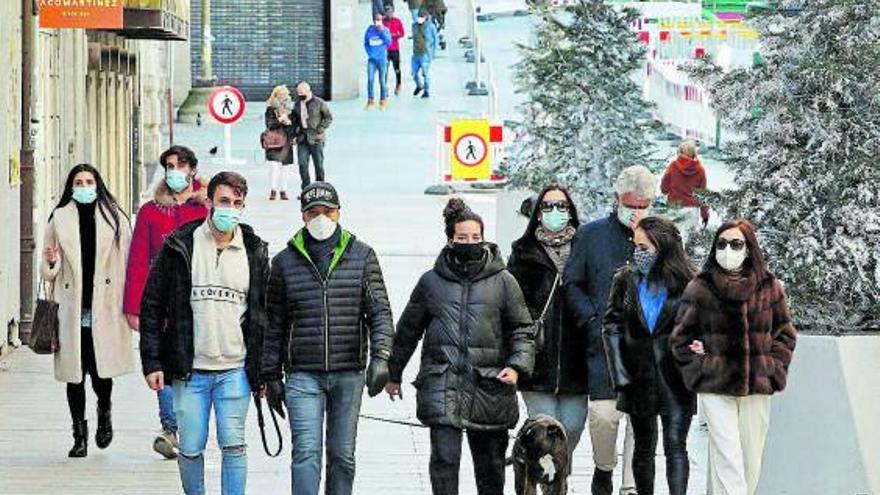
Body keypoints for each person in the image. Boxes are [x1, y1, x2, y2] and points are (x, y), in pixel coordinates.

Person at [386, 198, 535, 495]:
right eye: (463, 238)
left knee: (491, 468)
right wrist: (393, 373)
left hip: (489, 385)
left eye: (476, 238)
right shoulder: (431, 282)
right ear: (450, 240)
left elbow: (522, 329)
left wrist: (517, 367)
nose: (470, 243)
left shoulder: (504, 282)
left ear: (484, 238)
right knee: (443, 461)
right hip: (443, 382)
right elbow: (407, 331)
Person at [139, 172, 269, 495]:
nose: (231, 209)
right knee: (191, 448)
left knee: (234, 446)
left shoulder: (255, 251)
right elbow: (152, 305)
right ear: (209, 202)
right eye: (225, 201)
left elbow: (266, 316)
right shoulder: (180, 245)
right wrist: (152, 361)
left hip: (235, 371)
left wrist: (266, 369)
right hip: (190, 370)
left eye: (238, 203)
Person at [261, 181, 394, 495]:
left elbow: (380, 312)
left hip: (348, 372)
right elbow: (273, 323)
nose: (321, 217)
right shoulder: (284, 262)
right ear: (303, 215)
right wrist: (270, 375)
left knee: (342, 456)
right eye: (313, 211)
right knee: (306, 454)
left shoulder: (362, 256)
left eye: (327, 211)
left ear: (339, 212)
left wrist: (382, 356)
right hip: (302, 375)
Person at [670, 219, 796, 495]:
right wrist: (700, 367)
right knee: (728, 458)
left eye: (736, 243)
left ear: (748, 248)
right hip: (715, 385)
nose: (728, 249)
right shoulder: (700, 287)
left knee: (750, 462)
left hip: (757, 385)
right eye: (722, 244)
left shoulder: (769, 286)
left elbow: (785, 334)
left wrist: (772, 368)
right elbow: (680, 339)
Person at [564, 165, 659, 495]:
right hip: (604, 347)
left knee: (641, 420)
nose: (636, 212)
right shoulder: (591, 236)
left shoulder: (661, 237)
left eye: (643, 205)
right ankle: (604, 466)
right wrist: (591, 320)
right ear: (617, 199)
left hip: (647, 348)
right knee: (604, 416)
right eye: (631, 204)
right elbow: (572, 284)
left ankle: (631, 486)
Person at [40, 163, 134, 458]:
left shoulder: (114, 216)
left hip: (105, 306)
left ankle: (104, 411)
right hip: (71, 308)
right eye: (78, 182)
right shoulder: (59, 218)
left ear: (98, 184)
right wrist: (52, 261)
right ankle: (78, 435)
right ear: (71, 186)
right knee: (75, 374)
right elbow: (47, 271)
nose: (84, 187)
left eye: (89, 181)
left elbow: (128, 261)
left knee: (101, 371)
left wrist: (128, 303)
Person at [603, 217, 698, 495]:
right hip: (637, 376)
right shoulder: (625, 279)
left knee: (675, 445)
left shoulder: (690, 282)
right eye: (636, 246)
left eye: (644, 246)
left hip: (677, 376)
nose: (638, 252)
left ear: (663, 246)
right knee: (643, 447)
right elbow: (611, 326)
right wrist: (619, 374)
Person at [123, 145, 208, 459]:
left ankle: (187, 427)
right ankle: (170, 428)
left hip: (197, 302)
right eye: (169, 165)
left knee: (191, 365)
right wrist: (134, 306)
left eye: (181, 165)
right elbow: (137, 260)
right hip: (160, 303)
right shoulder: (150, 211)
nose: (175, 171)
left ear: (192, 170)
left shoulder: (206, 210)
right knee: (161, 362)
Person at [506, 184, 589, 460]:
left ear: (571, 211)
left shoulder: (584, 248)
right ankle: (546, 478)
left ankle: (554, 472)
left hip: (577, 362)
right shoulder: (523, 252)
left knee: (573, 426)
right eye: (548, 206)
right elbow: (511, 303)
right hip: (538, 359)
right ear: (538, 213)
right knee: (545, 427)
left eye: (562, 206)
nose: (555, 212)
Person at [661, 140, 709, 233]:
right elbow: (703, 195)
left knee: (673, 238)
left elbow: (664, 188)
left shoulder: (673, 166)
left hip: (674, 207)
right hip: (691, 209)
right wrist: (705, 214)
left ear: (679, 152)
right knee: (689, 240)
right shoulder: (700, 169)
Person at [292, 82, 333, 189]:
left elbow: (328, 117)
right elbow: (295, 120)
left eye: (302, 92)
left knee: (318, 165)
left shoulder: (319, 102)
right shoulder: (297, 104)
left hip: (316, 138)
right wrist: (293, 134)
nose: (300, 94)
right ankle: (306, 189)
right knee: (302, 164)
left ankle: (320, 187)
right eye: (298, 92)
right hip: (302, 138)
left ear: (308, 91)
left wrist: (321, 128)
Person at [264, 85, 297, 200]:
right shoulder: (270, 109)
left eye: (285, 94)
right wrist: (280, 120)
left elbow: (294, 126)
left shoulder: (291, 110)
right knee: (274, 166)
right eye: (281, 95)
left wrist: (289, 123)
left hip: (287, 141)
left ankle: (283, 191)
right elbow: (269, 125)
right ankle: (273, 190)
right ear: (276, 95)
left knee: (285, 168)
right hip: (274, 141)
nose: (283, 97)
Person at [364, 13, 392, 110]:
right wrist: (370, 53)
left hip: (382, 60)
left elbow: (389, 42)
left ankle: (383, 101)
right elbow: (366, 43)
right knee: (370, 79)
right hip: (372, 59)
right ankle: (370, 100)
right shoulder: (369, 30)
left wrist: (382, 32)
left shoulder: (385, 30)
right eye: (376, 20)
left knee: (382, 81)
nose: (378, 22)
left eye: (379, 20)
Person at [412, 11, 437, 99]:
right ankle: (419, 85)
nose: (420, 18)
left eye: (422, 16)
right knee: (414, 74)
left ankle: (426, 91)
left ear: (426, 17)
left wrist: (433, 53)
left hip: (425, 54)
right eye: (419, 16)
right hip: (415, 54)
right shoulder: (414, 26)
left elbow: (435, 40)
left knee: (425, 74)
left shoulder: (431, 27)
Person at [383, 5, 406, 95]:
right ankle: (384, 87)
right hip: (385, 50)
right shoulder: (382, 22)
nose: (389, 14)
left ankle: (398, 84)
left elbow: (402, 33)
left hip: (395, 49)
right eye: (387, 12)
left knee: (397, 68)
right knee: (385, 69)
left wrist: (395, 35)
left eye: (391, 12)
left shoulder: (397, 21)